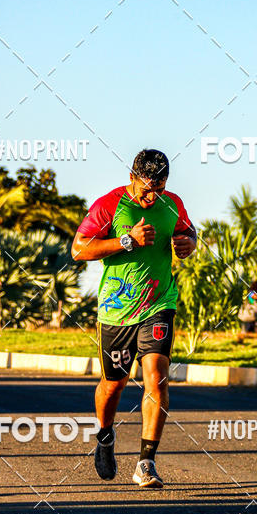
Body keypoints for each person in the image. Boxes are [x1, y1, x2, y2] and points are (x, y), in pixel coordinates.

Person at [72, 149, 196, 489]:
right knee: (114, 384)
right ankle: (105, 436)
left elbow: (188, 231)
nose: (150, 197)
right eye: (145, 190)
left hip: (159, 303)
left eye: (157, 189)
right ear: (132, 178)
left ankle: (146, 462)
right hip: (117, 311)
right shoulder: (109, 204)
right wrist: (126, 240)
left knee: (156, 376)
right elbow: (79, 248)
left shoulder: (172, 203)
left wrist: (188, 244)